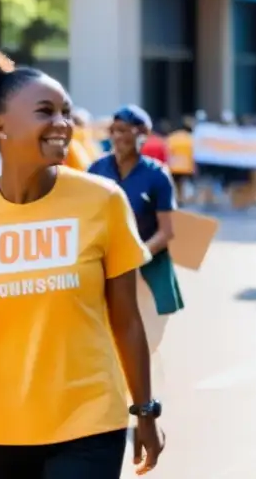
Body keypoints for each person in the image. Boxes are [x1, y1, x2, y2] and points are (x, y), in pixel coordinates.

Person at [0, 50, 163, 478]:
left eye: (66, 112)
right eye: (46, 112)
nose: (63, 124)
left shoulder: (102, 201)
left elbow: (127, 320)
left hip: (88, 420)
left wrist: (145, 411)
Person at [88, 106, 184, 360]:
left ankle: (144, 382)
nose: (118, 137)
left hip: (148, 263)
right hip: (109, 265)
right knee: (109, 335)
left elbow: (167, 231)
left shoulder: (157, 175)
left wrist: (139, 254)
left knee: (150, 335)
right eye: (113, 130)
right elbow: (85, 220)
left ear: (143, 134)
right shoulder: (96, 171)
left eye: (125, 130)